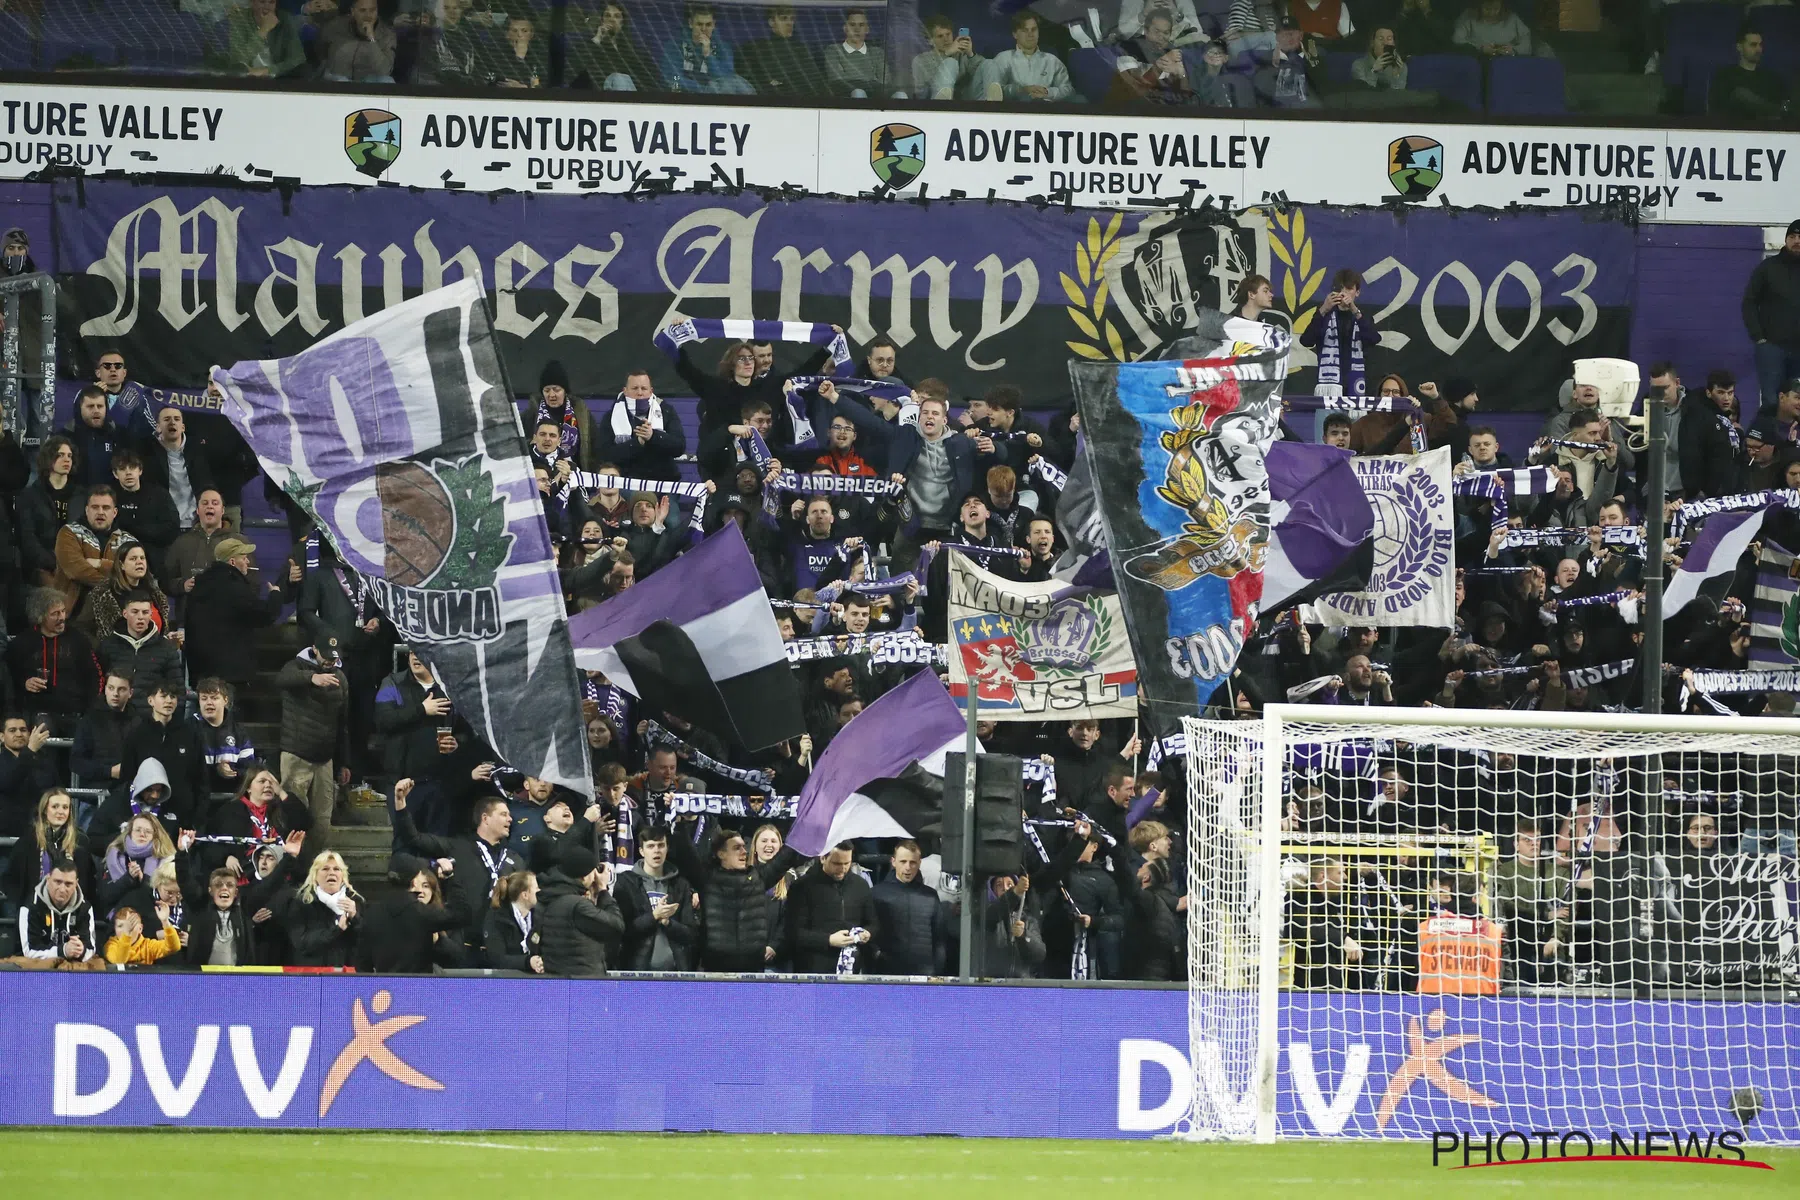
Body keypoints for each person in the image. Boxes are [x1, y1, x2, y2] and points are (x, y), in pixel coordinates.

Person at [668, 821, 801, 971]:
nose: (744, 851)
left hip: (753, 971)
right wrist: (679, 822)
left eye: (744, 847)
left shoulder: (758, 878)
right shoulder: (707, 879)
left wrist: (805, 824)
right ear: (721, 854)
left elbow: (786, 857)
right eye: (737, 848)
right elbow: (687, 854)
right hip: (715, 971)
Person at [184, 536, 295, 690]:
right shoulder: (234, 587)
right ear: (232, 562)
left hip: (201, 670)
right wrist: (275, 595)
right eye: (244, 558)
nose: (248, 562)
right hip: (229, 673)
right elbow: (265, 615)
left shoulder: (199, 585)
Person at [276, 632, 349, 848]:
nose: (330, 662)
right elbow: (281, 679)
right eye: (326, 656)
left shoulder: (341, 678)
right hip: (296, 755)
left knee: (322, 822)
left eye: (334, 658)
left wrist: (344, 761)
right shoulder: (295, 666)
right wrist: (312, 678)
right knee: (293, 819)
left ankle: (314, 870)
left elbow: (343, 723)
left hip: (325, 760)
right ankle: (290, 868)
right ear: (314, 649)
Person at [358, 853, 473, 973]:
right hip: (418, 989)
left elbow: (362, 963)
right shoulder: (421, 913)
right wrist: (450, 878)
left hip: (386, 988)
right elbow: (462, 913)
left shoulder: (372, 914)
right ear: (413, 882)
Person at [5, 589, 100, 734]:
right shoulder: (22, 643)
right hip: (39, 713)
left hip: (75, 713)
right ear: (40, 617)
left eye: (63, 611)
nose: (62, 617)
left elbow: (95, 676)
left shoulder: (78, 640)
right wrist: (24, 683)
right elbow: (8, 677)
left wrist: (91, 710)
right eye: (55, 614)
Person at [202, 762, 312, 880]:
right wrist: (226, 857)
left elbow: (306, 823)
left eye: (271, 782)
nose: (268, 785)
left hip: (280, 873)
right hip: (246, 873)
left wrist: (281, 792)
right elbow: (208, 843)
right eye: (262, 781)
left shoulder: (282, 809)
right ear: (248, 787)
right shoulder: (230, 811)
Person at [613, 824, 701, 971]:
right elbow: (623, 931)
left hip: (676, 971)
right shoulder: (626, 883)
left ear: (667, 849)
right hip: (637, 971)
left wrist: (668, 923)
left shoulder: (680, 885)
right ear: (641, 851)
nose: (656, 850)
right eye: (651, 846)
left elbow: (691, 934)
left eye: (661, 845)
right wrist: (654, 916)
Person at [118, 686, 208, 825]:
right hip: (146, 816)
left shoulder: (190, 734)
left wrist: (197, 819)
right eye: (163, 696)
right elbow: (127, 777)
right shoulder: (137, 735)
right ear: (150, 700)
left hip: (183, 817)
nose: (169, 701)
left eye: (172, 697)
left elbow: (201, 779)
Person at [786, 842, 879, 974]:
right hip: (812, 971)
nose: (843, 868)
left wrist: (867, 933)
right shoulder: (802, 887)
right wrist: (828, 940)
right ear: (823, 857)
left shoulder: (861, 885)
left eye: (847, 863)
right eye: (837, 863)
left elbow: (873, 923)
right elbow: (793, 933)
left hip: (852, 970)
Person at [536, 843, 625, 976]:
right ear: (584, 876)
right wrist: (602, 890)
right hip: (583, 984)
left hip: (558, 981)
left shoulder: (551, 896)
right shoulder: (578, 905)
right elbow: (616, 926)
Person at [1743, 219, 1800, 421]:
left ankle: (1794, 448)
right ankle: (1769, 449)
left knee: (1798, 403)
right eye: (1792, 237)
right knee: (1771, 402)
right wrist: (1759, 337)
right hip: (1772, 349)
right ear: (1785, 240)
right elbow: (1749, 302)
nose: (1796, 241)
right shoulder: (1768, 268)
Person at [52, 486, 134, 617]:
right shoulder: (69, 533)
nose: (100, 512)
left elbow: (133, 573)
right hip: (72, 613)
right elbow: (76, 570)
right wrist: (115, 582)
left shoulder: (128, 541)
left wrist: (100, 564)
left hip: (115, 614)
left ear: (115, 512)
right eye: (95, 507)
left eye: (106, 508)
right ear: (86, 510)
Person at [869, 840, 948, 975]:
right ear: (893, 862)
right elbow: (868, 931)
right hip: (887, 973)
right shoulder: (876, 894)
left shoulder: (930, 895)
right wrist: (876, 956)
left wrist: (937, 970)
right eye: (903, 861)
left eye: (912, 862)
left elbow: (939, 938)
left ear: (919, 863)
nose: (908, 867)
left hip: (924, 974)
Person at [105, 461, 179, 600]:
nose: (128, 472)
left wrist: (134, 529)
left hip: (156, 565)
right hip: (119, 565)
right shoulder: (110, 497)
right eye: (122, 469)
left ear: (140, 470)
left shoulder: (158, 494)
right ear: (115, 474)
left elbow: (172, 528)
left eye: (132, 467)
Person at [15, 436, 80, 592]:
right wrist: (53, 562)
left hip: (76, 564)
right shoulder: (30, 496)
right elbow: (27, 539)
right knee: (55, 594)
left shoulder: (81, 495)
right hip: (41, 566)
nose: (67, 460)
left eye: (70, 456)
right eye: (60, 455)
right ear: (48, 458)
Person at [1301, 268, 1379, 397]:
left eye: (1349, 289)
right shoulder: (1324, 314)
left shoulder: (1362, 316)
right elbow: (1306, 341)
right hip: (1329, 386)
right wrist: (1323, 310)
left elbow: (1373, 339)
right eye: (1340, 289)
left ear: (1357, 292)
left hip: (1355, 384)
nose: (1343, 293)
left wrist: (1354, 310)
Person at [5, 788, 88, 906]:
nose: (60, 812)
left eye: (65, 807)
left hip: (71, 907)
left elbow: (86, 881)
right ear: (44, 810)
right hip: (34, 906)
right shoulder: (29, 841)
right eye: (55, 807)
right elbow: (12, 879)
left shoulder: (80, 842)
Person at [606, 369, 688, 482]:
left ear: (651, 391)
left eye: (644, 388)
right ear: (625, 391)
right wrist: (637, 443)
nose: (640, 393)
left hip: (663, 481)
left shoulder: (666, 411)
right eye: (635, 388)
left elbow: (679, 447)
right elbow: (606, 455)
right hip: (627, 483)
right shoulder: (612, 416)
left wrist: (653, 436)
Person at [140, 407, 214, 529]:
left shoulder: (198, 451)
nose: (172, 422)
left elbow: (207, 485)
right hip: (163, 525)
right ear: (158, 427)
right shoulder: (146, 453)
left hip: (197, 526)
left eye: (176, 419)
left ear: (183, 427)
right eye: (167, 419)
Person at [286, 850, 361, 967]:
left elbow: (365, 943)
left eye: (336, 869)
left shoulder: (355, 902)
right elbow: (302, 944)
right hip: (312, 975)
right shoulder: (301, 903)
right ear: (315, 876)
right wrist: (337, 929)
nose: (331, 873)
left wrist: (355, 918)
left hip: (346, 976)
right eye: (325, 869)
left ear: (343, 876)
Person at [660, 4, 754, 94]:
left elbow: (727, 77)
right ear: (690, 23)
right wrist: (705, 90)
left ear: (714, 25)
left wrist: (708, 55)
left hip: (715, 99)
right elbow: (674, 78)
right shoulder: (674, 45)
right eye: (699, 24)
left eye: (708, 24)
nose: (704, 29)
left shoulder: (724, 47)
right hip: (684, 97)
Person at [20, 858, 98, 965]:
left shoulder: (85, 908)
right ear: (48, 879)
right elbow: (29, 951)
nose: (62, 889)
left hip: (73, 969)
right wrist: (63, 951)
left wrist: (81, 950)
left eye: (68, 884)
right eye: (57, 882)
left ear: (76, 884)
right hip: (37, 970)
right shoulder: (30, 907)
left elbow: (91, 949)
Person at [164, 489, 234, 601]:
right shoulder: (181, 542)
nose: (210, 507)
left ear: (223, 510)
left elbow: (252, 583)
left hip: (226, 613)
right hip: (190, 614)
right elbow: (166, 581)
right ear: (197, 510)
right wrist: (182, 585)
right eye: (205, 503)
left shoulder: (238, 542)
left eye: (215, 503)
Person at [1709, 27, 1790, 122]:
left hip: (1767, 132)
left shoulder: (1772, 79)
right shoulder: (1725, 76)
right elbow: (1717, 109)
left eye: (1760, 45)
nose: (1758, 49)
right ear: (1739, 47)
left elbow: (1785, 108)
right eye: (1753, 45)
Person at [743, 4, 825, 97]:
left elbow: (815, 79)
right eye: (784, 18)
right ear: (771, 22)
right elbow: (755, 79)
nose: (789, 23)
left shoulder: (801, 48)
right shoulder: (756, 47)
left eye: (792, 19)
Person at [991, 12, 1074, 102]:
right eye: (1025, 30)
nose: (1030, 34)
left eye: (1033, 29)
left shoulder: (1052, 61)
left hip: (1046, 111)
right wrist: (1021, 90)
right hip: (1014, 112)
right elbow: (994, 91)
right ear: (1015, 34)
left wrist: (1047, 92)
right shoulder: (1003, 59)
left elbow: (1069, 90)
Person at [912, 13, 997, 101]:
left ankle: (993, 103)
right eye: (940, 36)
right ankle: (942, 103)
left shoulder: (960, 53)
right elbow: (922, 91)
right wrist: (947, 54)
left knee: (989, 63)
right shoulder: (921, 59)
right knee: (950, 63)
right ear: (930, 41)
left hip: (965, 99)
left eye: (948, 34)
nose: (946, 39)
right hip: (932, 101)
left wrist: (970, 54)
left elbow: (978, 73)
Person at [822, 7, 903, 98]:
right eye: (852, 25)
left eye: (861, 25)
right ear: (845, 28)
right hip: (848, 99)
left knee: (900, 95)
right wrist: (871, 81)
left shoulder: (877, 52)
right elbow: (836, 81)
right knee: (858, 93)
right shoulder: (834, 50)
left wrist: (852, 79)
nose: (857, 29)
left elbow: (886, 82)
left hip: (878, 98)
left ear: (867, 29)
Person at [573, 2, 655, 91]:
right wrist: (598, 38)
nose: (611, 19)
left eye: (617, 16)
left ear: (622, 23)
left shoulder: (634, 52)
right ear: (602, 21)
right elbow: (576, 68)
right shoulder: (589, 45)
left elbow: (647, 80)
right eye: (608, 15)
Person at [185, 868, 256, 966]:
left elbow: (268, 887)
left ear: (235, 892)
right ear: (210, 891)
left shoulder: (243, 913)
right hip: (203, 978)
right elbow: (186, 882)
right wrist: (182, 855)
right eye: (218, 885)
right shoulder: (200, 910)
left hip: (235, 978)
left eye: (230, 885)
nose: (224, 888)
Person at [0, 716, 55, 839]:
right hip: (6, 834)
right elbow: (8, 783)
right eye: (12, 730)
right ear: (2, 737)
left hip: (39, 832)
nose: (19, 734)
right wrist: (30, 751)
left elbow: (55, 789)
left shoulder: (43, 761)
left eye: (23, 730)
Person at [320, 0, 398, 82]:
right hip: (337, 79)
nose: (368, 15)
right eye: (362, 10)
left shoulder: (387, 34)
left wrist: (371, 39)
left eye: (372, 10)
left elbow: (385, 70)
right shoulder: (335, 27)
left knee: (387, 80)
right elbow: (320, 51)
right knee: (340, 79)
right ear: (353, 11)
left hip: (368, 82)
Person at [484, 870, 545, 973]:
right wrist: (528, 962)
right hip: (505, 981)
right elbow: (497, 959)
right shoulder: (496, 918)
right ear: (525, 895)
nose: (540, 890)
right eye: (536, 888)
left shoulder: (540, 915)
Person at [227, 0, 305, 77]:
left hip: (277, 77)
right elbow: (238, 60)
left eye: (271, 2)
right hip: (247, 78)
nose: (267, 7)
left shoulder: (285, 18)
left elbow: (298, 58)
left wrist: (268, 71)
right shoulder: (240, 18)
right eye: (262, 2)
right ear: (252, 2)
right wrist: (264, 30)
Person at [64, 386, 120, 492]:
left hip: (110, 498)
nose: (96, 410)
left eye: (100, 406)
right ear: (80, 408)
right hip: (75, 497)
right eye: (90, 406)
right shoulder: (66, 436)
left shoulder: (118, 435)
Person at [103, 902, 184, 966]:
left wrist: (165, 922)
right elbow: (120, 961)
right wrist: (127, 934)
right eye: (120, 926)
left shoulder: (147, 946)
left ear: (140, 929)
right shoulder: (111, 946)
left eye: (131, 925)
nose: (125, 930)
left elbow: (173, 947)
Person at [1452, 0, 1529, 57]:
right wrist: (1480, 49)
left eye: (1496, 9)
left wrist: (1514, 50)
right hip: (1476, 61)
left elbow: (1526, 42)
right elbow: (1457, 39)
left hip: (1507, 62)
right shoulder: (1468, 16)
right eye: (1487, 9)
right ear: (1480, 5)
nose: (1491, 13)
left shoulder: (1512, 19)